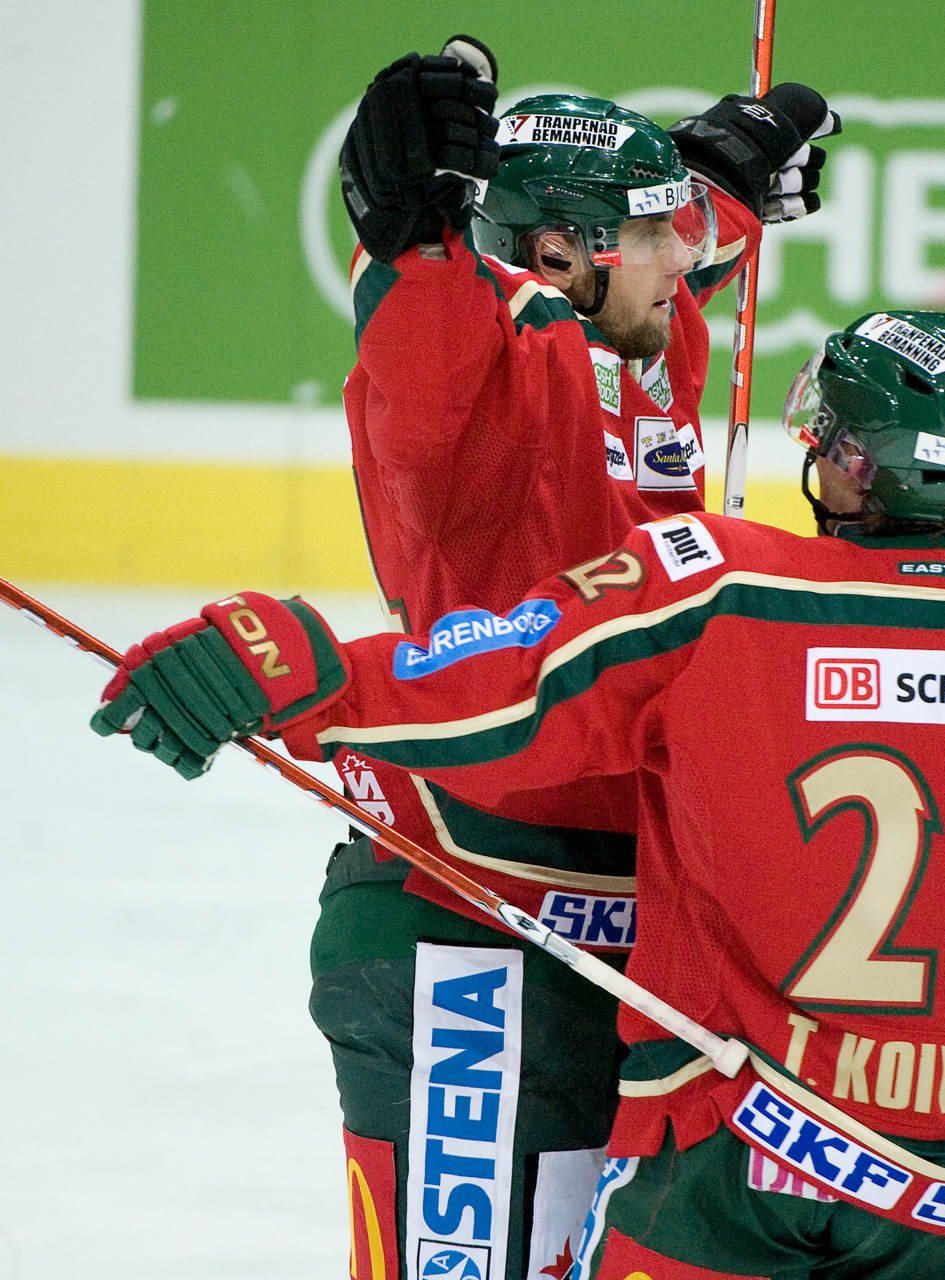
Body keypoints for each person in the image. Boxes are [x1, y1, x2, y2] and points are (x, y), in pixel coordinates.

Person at [90, 310, 945, 1277]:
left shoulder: (726, 591)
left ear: (850, 461)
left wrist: (295, 669)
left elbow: (498, 689)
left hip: (745, 1147)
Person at [322, 34, 837, 1278]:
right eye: (661, 235)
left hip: (649, 920)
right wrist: (404, 237)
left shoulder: (649, 333)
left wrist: (703, 174)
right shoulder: (472, 379)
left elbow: (664, 247)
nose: (696, 256)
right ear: (557, 255)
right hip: (476, 927)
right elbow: (433, 335)